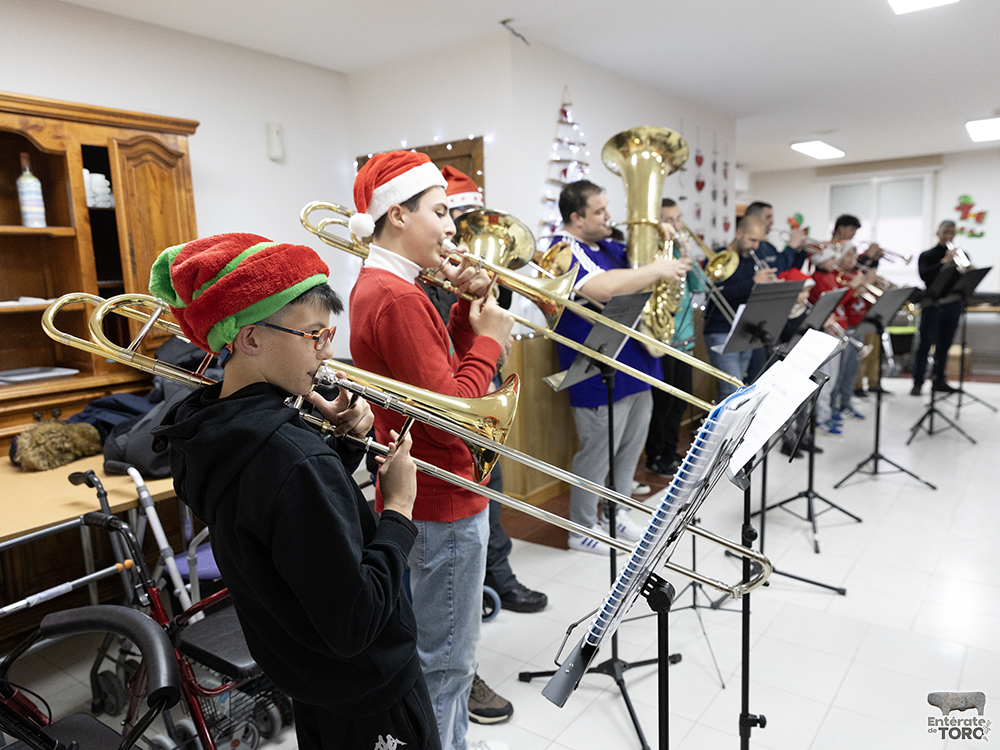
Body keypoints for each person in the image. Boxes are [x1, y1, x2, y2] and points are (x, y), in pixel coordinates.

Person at [148, 234, 437, 750]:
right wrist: (398, 508)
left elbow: (276, 523)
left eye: (329, 335)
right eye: (313, 336)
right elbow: (356, 621)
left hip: (310, 680)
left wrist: (335, 449)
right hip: (368, 691)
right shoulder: (293, 458)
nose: (328, 354)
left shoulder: (205, 429)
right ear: (251, 338)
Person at [347, 151, 513, 750]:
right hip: (442, 500)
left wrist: (471, 319)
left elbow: (441, 384)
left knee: (445, 664)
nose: (451, 228)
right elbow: (450, 421)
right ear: (397, 213)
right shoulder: (395, 296)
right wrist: (493, 342)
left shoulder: (400, 287)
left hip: (438, 493)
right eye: (440, 212)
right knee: (447, 669)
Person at [440, 165, 547, 728]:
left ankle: (496, 575)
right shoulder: (414, 282)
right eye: (447, 215)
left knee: (493, 494)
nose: (455, 228)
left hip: (478, 395)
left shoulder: (463, 269)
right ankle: (463, 652)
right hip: (450, 406)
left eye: (453, 214)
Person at [547, 180, 689, 553]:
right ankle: (581, 528)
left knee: (630, 448)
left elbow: (645, 269)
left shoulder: (612, 245)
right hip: (595, 367)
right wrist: (658, 268)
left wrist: (665, 239)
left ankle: (616, 511)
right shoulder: (561, 250)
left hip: (638, 359)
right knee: (597, 451)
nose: (609, 216)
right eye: (599, 211)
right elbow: (603, 289)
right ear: (576, 218)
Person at [644, 198, 703, 477]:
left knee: (680, 401)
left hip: (685, 340)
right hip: (661, 341)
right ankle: (656, 456)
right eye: (670, 220)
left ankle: (670, 452)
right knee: (662, 404)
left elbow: (700, 285)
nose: (677, 226)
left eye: (678, 219)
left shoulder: (679, 255)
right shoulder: (652, 258)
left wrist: (689, 257)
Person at [701, 215, 776, 400]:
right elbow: (715, 294)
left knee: (738, 392)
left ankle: (727, 429)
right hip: (720, 330)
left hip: (745, 331)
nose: (756, 247)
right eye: (752, 240)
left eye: (759, 241)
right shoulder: (718, 257)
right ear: (739, 233)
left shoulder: (753, 260)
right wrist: (752, 283)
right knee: (732, 391)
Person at [912, 220, 964, 396]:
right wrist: (944, 261)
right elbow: (925, 276)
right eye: (946, 232)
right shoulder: (928, 255)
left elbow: (963, 280)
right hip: (931, 304)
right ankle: (917, 382)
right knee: (925, 344)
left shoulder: (961, 255)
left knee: (945, 345)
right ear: (938, 233)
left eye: (952, 232)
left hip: (952, 305)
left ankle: (939, 380)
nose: (949, 236)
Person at [744, 201, 807, 273]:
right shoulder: (751, 246)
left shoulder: (768, 246)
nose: (772, 222)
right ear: (754, 219)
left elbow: (790, 270)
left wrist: (800, 251)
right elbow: (777, 269)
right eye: (768, 217)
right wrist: (791, 246)